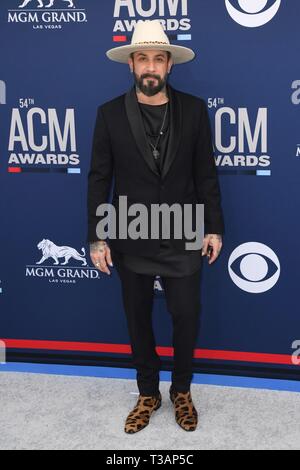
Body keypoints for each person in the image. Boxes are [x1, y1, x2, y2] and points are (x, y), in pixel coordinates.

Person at [87, 19, 224, 433]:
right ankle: (148, 391)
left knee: (186, 314)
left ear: (169, 66)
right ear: (131, 64)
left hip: (184, 232)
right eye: (142, 58)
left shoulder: (195, 110)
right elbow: (98, 178)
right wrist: (97, 235)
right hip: (130, 234)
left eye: (158, 59)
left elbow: (206, 175)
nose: (150, 66)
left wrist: (213, 227)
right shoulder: (109, 114)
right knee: (137, 318)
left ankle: (181, 389)